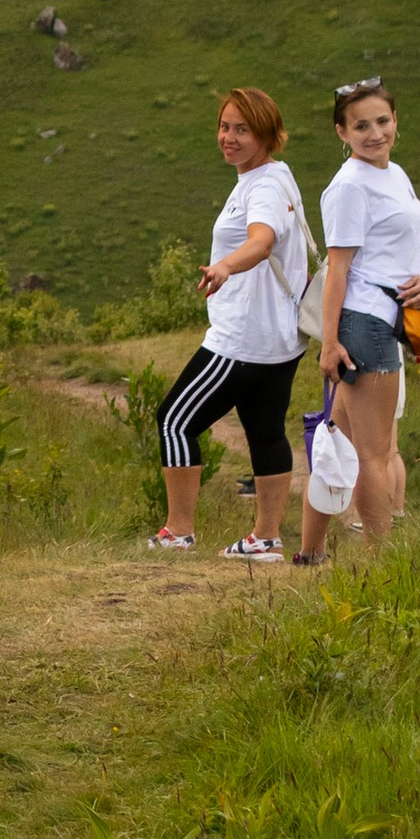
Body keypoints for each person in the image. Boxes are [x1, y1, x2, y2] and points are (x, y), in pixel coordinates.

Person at [149, 87, 308, 564]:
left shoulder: (261, 187)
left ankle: (178, 531)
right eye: (225, 127)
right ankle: (266, 538)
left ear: (267, 135)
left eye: (243, 129)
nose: (230, 138)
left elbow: (262, 241)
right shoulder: (276, 176)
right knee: (265, 431)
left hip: (242, 340)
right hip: (280, 340)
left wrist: (224, 268)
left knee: (174, 420)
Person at [305, 77, 420, 557]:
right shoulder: (349, 187)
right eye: (361, 125)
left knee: (335, 438)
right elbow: (337, 271)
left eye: (382, 121)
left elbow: (409, 236)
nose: (375, 133)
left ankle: (310, 552)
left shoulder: (394, 173)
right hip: (365, 324)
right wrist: (330, 343)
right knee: (373, 454)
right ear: (342, 132)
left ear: (396, 120)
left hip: (385, 318)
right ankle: (384, 562)